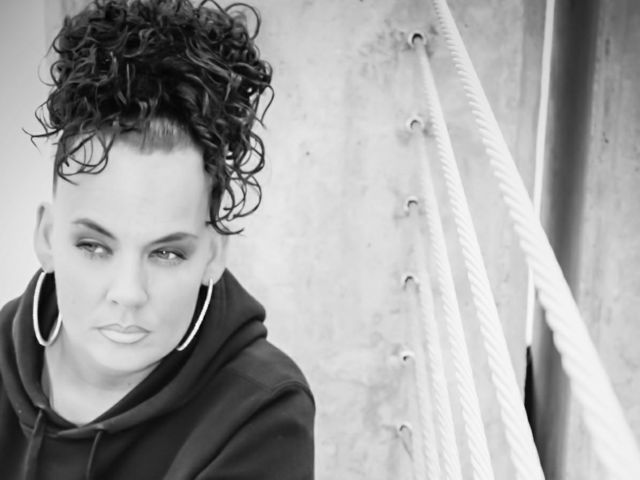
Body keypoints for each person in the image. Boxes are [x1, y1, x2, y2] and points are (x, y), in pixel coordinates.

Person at [0, 0, 315, 478]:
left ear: (213, 255)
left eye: (167, 253)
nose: (128, 293)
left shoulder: (259, 409)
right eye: (94, 247)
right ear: (47, 237)